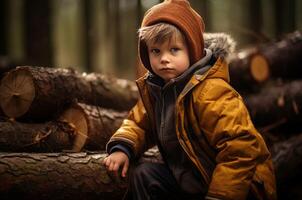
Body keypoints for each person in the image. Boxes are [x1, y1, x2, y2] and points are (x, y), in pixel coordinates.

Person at [103, 0, 277, 199]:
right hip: (192, 179)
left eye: (174, 50)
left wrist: (220, 195)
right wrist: (122, 148)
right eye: (156, 51)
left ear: (193, 51)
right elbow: (139, 123)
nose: (164, 58)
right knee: (144, 175)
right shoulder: (157, 90)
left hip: (238, 185)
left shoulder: (212, 92)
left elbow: (240, 149)